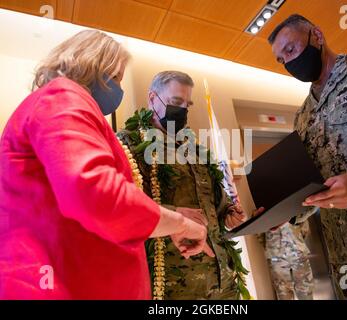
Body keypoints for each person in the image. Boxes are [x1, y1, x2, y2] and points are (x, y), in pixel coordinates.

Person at [0, 30, 212, 300]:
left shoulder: (67, 105)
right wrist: (180, 224)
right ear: (96, 65)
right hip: (56, 283)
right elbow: (94, 192)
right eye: (117, 77)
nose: (119, 89)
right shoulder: (62, 97)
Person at [267, 14, 347, 299]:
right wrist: (284, 211)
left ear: (317, 35)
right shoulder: (302, 119)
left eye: (290, 49)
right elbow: (315, 190)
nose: (288, 63)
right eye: (281, 60)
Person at [117, 71, 254, 299]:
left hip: (223, 280)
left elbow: (213, 202)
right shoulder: (128, 145)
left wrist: (228, 214)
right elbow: (122, 207)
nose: (182, 110)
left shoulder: (195, 148)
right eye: (175, 102)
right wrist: (174, 216)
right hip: (175, 286)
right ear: (152, 99)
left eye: (187, 104)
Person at [261, 221, 314, 300]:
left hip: (295, 247)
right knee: (283, 289)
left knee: (304, 288)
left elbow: (303, 217)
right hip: (276, 250)